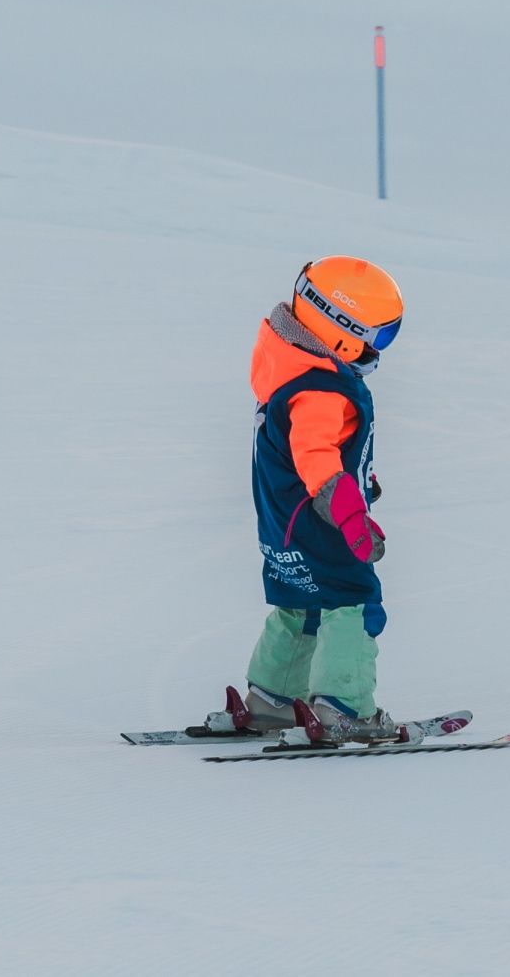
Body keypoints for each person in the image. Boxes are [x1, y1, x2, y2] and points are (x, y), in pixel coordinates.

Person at [212, 256, 406, 743]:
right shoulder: (322, 389)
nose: (376, 349)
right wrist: (349, 511)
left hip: (283, 522)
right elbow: (315, 455)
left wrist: (361, 480)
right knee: (353, 602)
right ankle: (345, 708)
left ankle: (273, 702)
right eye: (377, 336)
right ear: (342, 330)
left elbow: (309, 448)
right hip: (324, 523)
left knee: (300, 606)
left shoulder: (291, 367)